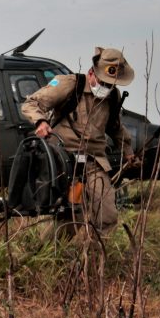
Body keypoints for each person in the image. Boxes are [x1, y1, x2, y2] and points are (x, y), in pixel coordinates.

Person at [20, 47, 136, 241]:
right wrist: (40, 121)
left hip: (94, 163)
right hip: (65, 162)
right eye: (103, 83)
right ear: (91, 73)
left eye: (110, 85)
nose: (106, 88)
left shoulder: (113, 97)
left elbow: (115, 127)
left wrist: (128, 151)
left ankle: (98, 255)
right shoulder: (69, 84)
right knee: (72, 215)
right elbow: (31, 103)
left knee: (107, 215)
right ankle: (47, 252)